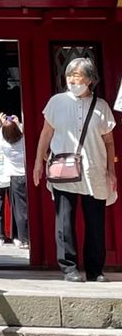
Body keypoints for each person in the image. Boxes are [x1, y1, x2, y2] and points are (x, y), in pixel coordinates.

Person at [31, 57, 118, 282]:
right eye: (69, 75)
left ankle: (95, 269)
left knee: (95, 222)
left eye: (77, 76)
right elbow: (46, 133)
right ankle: (69, 268)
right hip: (64, 169)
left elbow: (109, 142)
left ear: (90, 79)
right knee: (64, 220)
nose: (72, 80)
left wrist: (111, 170)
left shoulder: (101, 106)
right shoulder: (56, 102)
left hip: (94, 170)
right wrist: (38, 162)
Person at [0, 114, 28, 248]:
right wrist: (18, 123)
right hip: (22, 176)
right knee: (19, 210)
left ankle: (0, 237)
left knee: (1, 209)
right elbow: (25, 132)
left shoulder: (2, 144)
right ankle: (19, 237)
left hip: (9, 177)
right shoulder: (23, 142)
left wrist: (3, 124)